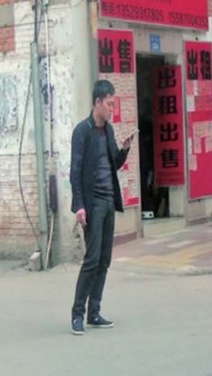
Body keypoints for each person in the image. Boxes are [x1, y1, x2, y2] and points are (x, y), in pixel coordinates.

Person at [69, 79, 134, 335]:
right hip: (92, 203)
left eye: (113, 104)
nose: (111, 109)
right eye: (109, 104)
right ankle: (77, 314)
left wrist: (124, 150)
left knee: (105, 260)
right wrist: (79, 206)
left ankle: (94, 312)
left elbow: (113, 163)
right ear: (97, 102)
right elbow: (75, 172)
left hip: (108, 201)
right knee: (92, 259)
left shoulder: (108, 130)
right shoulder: (82, 131)